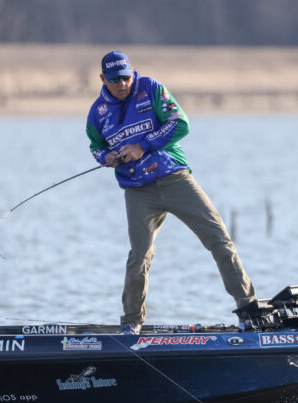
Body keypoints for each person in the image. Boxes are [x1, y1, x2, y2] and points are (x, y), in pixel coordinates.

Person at [86, 51, 257, 334]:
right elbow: (96, 146)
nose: (122, 84)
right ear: (103, 78)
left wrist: (143, 146)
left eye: (126, 77)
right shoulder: (97, 113)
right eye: (114, 79)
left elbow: (180, 123)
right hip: (138, 191)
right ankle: (131, 324)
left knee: (219, 239)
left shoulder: (151, 88)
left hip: (174, 178)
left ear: (132, 72)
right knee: (139, 256)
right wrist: (106, 157)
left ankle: (248, 310)